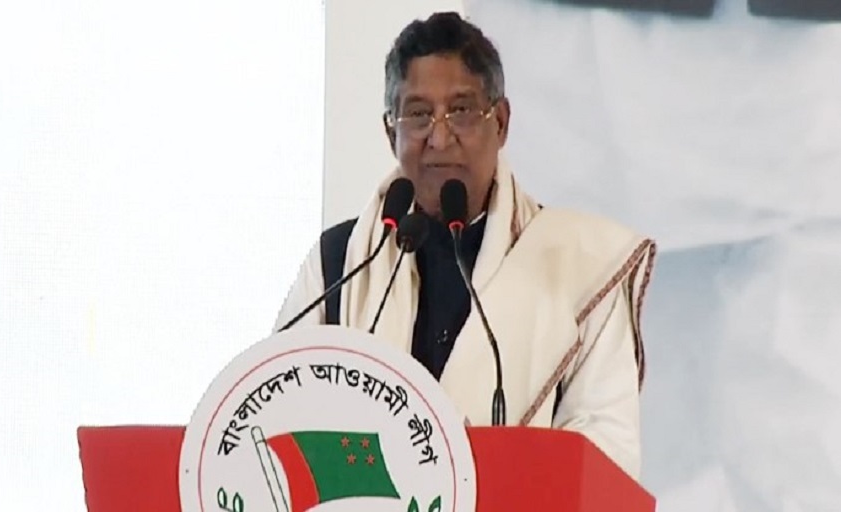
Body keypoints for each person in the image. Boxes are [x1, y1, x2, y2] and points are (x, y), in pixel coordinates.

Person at [272, 11, 656, 480]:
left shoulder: (580, 267)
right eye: (418, 114)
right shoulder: (341, 262)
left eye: (461, 111)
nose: (439, 137)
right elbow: (277, 413)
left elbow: (605, 458)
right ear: (391, 132)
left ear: (502, 122)